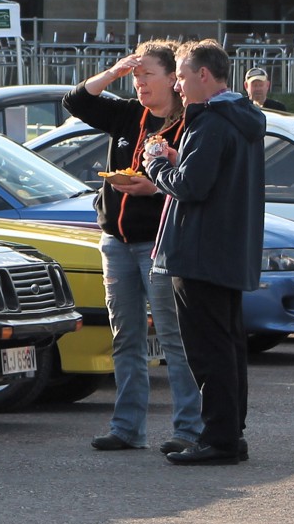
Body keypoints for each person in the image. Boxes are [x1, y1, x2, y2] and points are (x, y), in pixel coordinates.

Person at [63, 43, 202, 454]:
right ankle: (127, 429)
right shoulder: (127, 114)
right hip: (116, 243)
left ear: (172, 80)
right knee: (125, 338)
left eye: (147, 75)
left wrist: (154, 185)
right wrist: (112, 72)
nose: (139, 83)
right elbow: (75, 100)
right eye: (135, 76)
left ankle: (188, 430)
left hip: (158, 245)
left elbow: (194, 185)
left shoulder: (189, 123)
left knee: (174, 339)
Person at [145, 39, 265, 466]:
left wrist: (157, 163)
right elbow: (209, 174)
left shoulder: (212, 121)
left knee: (209, 350)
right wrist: (181, 160)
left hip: (200, 253)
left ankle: (219, 439)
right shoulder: (242, 116)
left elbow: (192, 187)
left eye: (179, 75)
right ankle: (230, 432)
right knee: (228, 347)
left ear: (203, 75)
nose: (176, 86)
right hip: (227, 251)